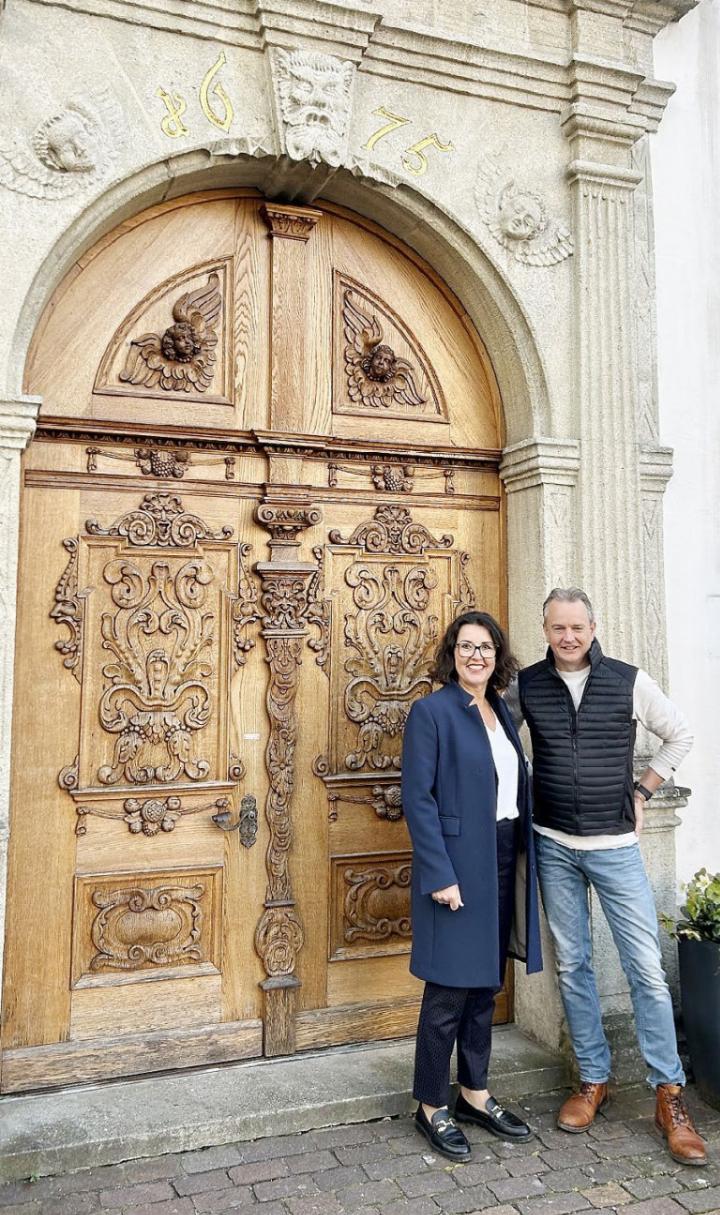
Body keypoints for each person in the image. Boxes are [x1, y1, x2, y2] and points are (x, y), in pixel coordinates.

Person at [507, 587, 706, 1167]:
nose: (568, 637)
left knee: (645, 969)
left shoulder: (627, 680)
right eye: (557, 627)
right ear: (544, 629)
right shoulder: (528, 687)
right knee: (574, 965)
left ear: (594, 627)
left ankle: (669, 1095)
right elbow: (492, 735)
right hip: (553, 844)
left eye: (577, 627)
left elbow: (681, 735)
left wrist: (643, 789)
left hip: (615, 846)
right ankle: (593, 1079)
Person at [401, 610, 543, 1160]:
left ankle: (474, 1094)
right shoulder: (431, 712)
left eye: (485, 647)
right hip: (456, 867)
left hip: (504, 856)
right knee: (447, 992)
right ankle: (430, 1105)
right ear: (452, 654)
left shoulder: (502, 711)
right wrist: (440, 875)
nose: (476, 655)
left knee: (485, 986)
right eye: (466, 646)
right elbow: (419, 799)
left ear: (497, 654)